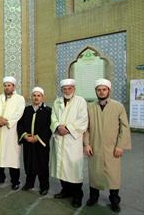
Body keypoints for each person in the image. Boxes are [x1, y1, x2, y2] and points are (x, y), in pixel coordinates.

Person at [84, 79, 131, 212]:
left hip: (112, 148)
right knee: (94, 173)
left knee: (113, 176)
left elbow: (124, 127)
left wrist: (120, 146)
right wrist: (86, 144)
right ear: (96, 91)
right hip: (95, 147)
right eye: (99, 89)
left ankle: (114, 200)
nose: (101, 92)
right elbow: (86, 128)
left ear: (109, 90)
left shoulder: (118, 106)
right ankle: (93, 197)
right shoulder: (90, 107)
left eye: (104, 89)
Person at [50, 78, 88, 208]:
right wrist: (57, 127)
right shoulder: (57, 101)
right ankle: (65, 190)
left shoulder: (80, 101)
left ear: (74, 89)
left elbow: (83, 120)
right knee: (61, 167)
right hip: (59, 139)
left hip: (73, 140)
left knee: (74, 169)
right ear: (61, 90)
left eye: (69, 88)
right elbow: (53, 117)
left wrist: (67, 128)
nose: (67, 91)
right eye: (64, 89)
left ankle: (77, 195)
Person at [0, 76, 25, 190]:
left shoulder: (20, 99)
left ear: (14, 87)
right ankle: (0, 177)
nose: (6, 87)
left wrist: (6, 121)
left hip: (12, 132)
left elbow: (18, 114)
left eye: (9, 85)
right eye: (5, 85)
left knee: (12, 157)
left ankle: (15, 181)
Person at [17, 87, 52, 195]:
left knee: (42, 164)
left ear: (42, 97)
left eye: (38, 95)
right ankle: (29, 183)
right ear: (32, 97)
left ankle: (44, 186)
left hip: (41, 143)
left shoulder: (48, 111)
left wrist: (37, 137)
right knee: (29, 163)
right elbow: (20, 124)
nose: (36, 98)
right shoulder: (27, 110)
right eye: (34, 95)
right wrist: (25, 136)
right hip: (28, 142)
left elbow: (49, 127)